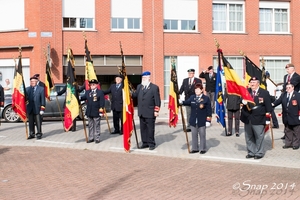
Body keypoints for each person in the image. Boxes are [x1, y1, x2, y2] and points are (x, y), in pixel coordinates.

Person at [240, 77, 272, 159]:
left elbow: (268, 106)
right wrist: (242, 101)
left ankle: (259, 152)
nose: (252, 84)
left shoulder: (264, 93)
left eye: (254, 82)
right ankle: (251, 152)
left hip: (259, 118)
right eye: (251, 82)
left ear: (258, 83)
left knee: (259, 136)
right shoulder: (247, 92)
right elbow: (241, 100)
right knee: (249, 136)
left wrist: (268, 119)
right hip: (247, 117)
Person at [132, 71, 161, 150]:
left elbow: (157, 100)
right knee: (143, 128)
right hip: (141, 111)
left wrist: (156, 111)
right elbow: (135, 95)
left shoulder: (154, 87)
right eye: (142, 78)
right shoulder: (139, 87)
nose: (143, 79)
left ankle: (151, 143)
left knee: (150, 128)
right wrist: (128, 93)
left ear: (149, 78)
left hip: (150, 112)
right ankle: (144, 142)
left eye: (145, 78)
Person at [180, 83, 212, 154]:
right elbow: (187, 102)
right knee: (194, 135)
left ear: (201, 90)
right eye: (195, 89)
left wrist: (208, 120)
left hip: (202, 120)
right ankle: (195, 148)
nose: (196, 91)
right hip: (193, 120)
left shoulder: (206, 98)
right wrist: (181, 102)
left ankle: (203, 148)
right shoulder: (192, 97)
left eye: (198, 89)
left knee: (202, 134)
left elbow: (209, 110)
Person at [273, 83, 300, 150]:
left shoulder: (297, 95)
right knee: (288, 130)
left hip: (295, 116)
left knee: (296, 131)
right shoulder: (284, 95)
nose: (287, 89)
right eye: (287, 88)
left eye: (289, 87)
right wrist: (271, 104)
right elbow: (277, 102)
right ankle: (288, 143)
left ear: (293, 87)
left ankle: (296, 144)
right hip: (286, 116)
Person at [80, 79, 105, 143]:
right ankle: (91, 138)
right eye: (91, 84)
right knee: (90, 126)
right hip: (89, 111)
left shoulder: (100, 92)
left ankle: (97, 138)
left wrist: (101, 111)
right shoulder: (88, 92)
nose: (92, 85)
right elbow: (83, 97)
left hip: (96, 111)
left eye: (93, 84)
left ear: (96, 85)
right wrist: (78, 97)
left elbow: (102, 102)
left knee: (96, 125)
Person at [281, 64, 300, 139]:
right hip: (286, 96)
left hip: (294, 97)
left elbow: (292, 84)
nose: (287, 70)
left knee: (292, 115)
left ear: (293, 69)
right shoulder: (286, 77)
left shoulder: (297, 76)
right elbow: (285, 85)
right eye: (286, 69)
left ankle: (294, 135)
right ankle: (286, 133)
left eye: (288, 69)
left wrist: (285, 87)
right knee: (285, 114)